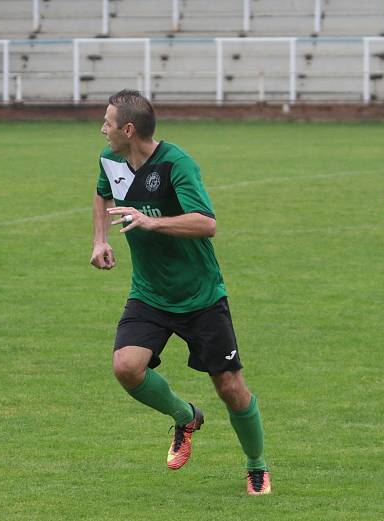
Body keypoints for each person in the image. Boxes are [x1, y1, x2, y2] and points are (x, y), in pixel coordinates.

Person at [90, 90, 270, 495]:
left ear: (128, 129)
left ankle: (257, 465)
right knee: (126, 367)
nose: (102, 128)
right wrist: (100, 240)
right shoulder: (111, 161)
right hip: (149, 293)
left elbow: (207, 223)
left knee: (231, 388)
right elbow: (102, 192)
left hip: (201, 296)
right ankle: (185, 416)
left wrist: (151, 222)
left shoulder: (177, 164)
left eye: (108, 121)